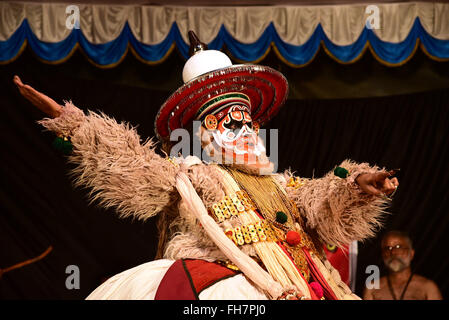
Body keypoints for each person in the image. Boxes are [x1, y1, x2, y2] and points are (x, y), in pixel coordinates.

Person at [13, 31, 399, 300]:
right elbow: (132, 164)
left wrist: (358, 182)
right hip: (231, 279)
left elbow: (320, 196)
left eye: (249, 123)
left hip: (306, 280)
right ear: (206, 134)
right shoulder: (192, 175)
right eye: (232, 124)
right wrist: (74, 123)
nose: (245, 131)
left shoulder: (280, 183)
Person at [363, 230, 442, 300]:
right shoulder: (372, 288)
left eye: (398, 247)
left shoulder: (427, 287)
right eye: (388, 248)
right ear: (383, 255)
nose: (393, 252)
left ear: (411, 254)